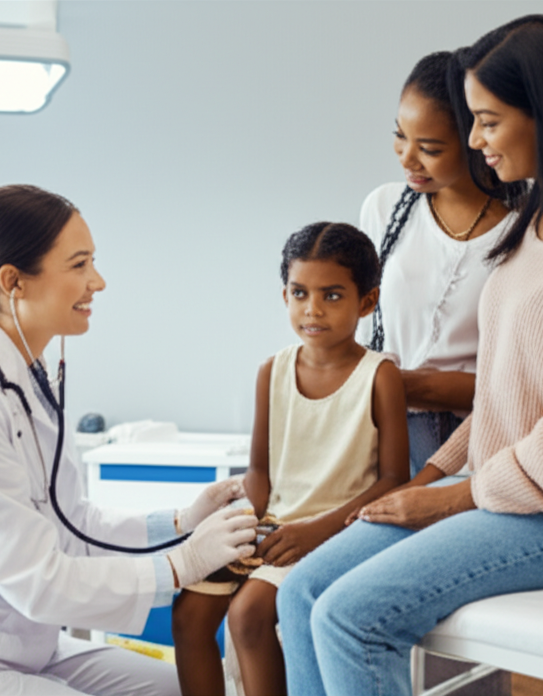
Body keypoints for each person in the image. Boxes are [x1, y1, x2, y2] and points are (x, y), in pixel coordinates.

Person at [277, 14, 543, 696]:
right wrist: (427, 480)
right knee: (302, 592)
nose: (473, 141)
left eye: (488, 122)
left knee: (351, 618)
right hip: (504, 497)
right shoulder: (535, 223)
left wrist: (452, 499)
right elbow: (500, 398)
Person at [0, 184, 259, 696]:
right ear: (13, 281)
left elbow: (72, 522)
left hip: (18, 648)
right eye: (79, 265)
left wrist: (180, 522)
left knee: (183, 689)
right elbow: (37, 580)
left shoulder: (23, 377)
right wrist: (181, 563)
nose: (98, 281)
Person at [172, 222, 411, 696]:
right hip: (273, 525)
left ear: (367, 301)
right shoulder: (272, 371)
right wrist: (247, 528)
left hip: (335, 533)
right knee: (189, 615)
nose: (312, 309)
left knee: (248, 615)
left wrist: (314, 531)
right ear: (285, 296)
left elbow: (393, 481)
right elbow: (259, 471)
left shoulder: (380, 376)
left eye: (332, 295)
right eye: (300, 293)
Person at [358, 50, 523, 477]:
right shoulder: (384, 208)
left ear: (476, 141)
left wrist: (404, 384)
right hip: (383, 426)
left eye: (429, 148)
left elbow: (520, 380)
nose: (407, 158)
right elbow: (362, 333)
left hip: (475, 435)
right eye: (400, 136)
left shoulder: (523, 231)